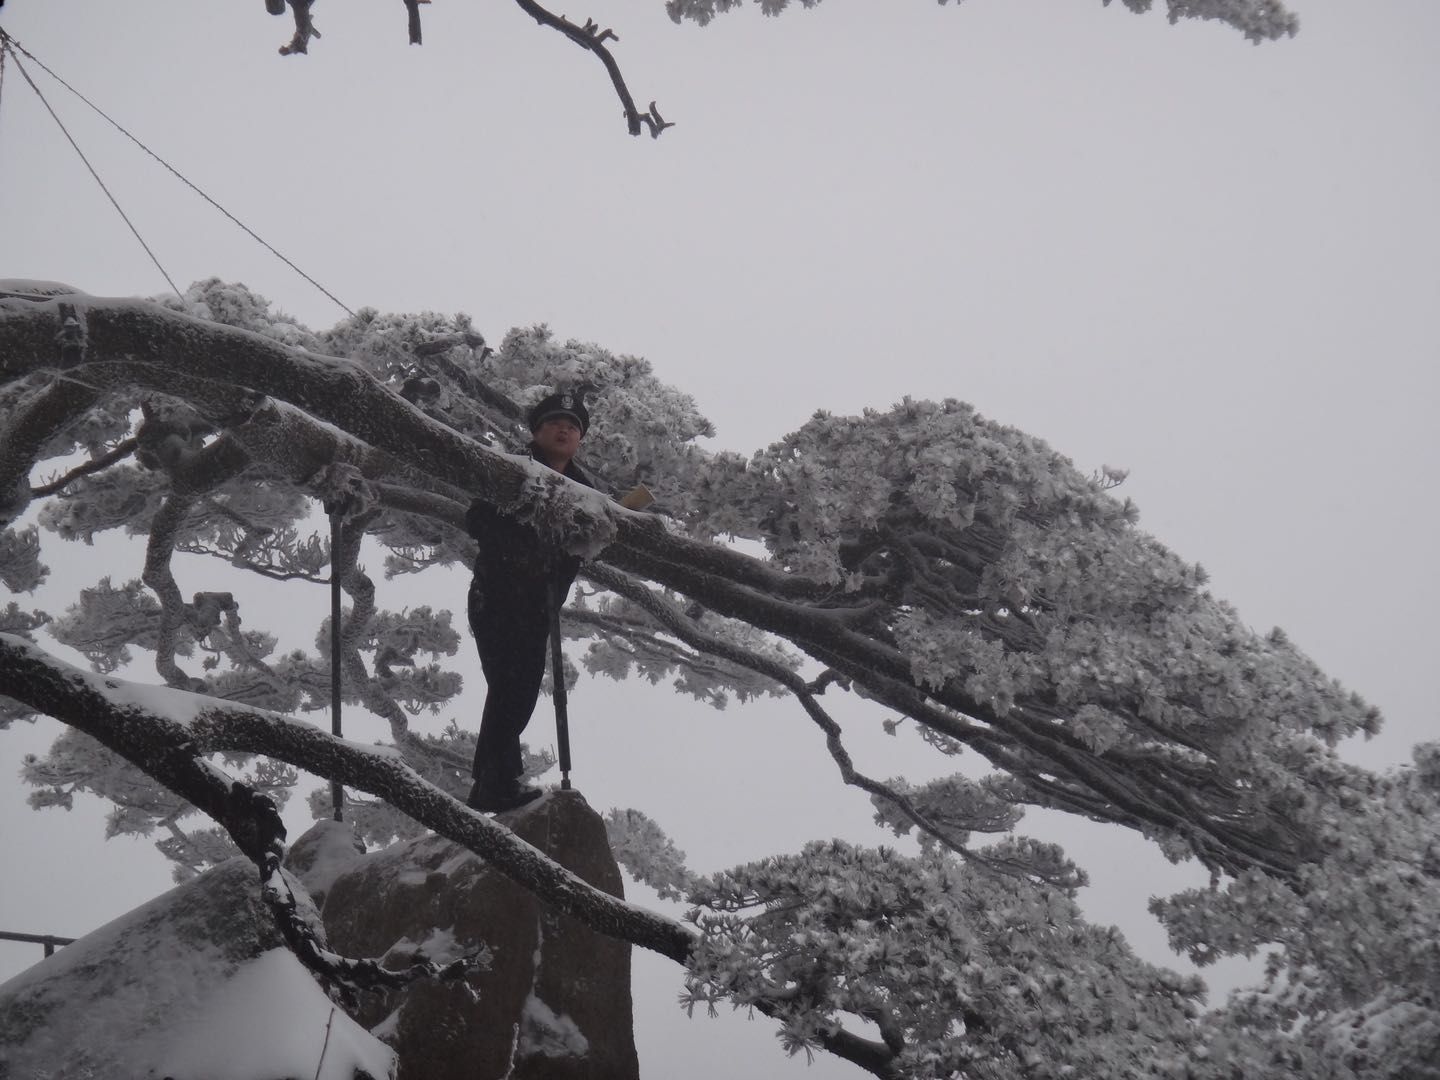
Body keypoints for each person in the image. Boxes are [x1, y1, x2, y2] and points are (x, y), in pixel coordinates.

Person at [465, 391, 593, 812]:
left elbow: (585, 546)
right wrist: (526, 535)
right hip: (498, 597)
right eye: (556, 423)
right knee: (511, 687)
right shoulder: (512, 471)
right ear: (537, 431)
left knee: (515, 691)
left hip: (538, 606)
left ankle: (492, 781)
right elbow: (477, 519)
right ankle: (494, 781)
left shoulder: (584, 490)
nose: (564, 430)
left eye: (573, 427)